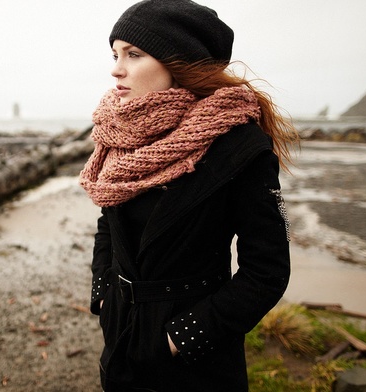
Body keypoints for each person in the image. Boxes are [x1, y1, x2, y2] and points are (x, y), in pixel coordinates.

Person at [78, 0, 299, 391]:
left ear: (177, 63)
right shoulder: (122, 135)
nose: (116, 68)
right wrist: (104, 296)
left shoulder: (240, 145)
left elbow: (266, 271)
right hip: (122, 336)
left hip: (196, 358)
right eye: (115, 54)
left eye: (134, 54)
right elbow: (108, 223)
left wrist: (181, 338)